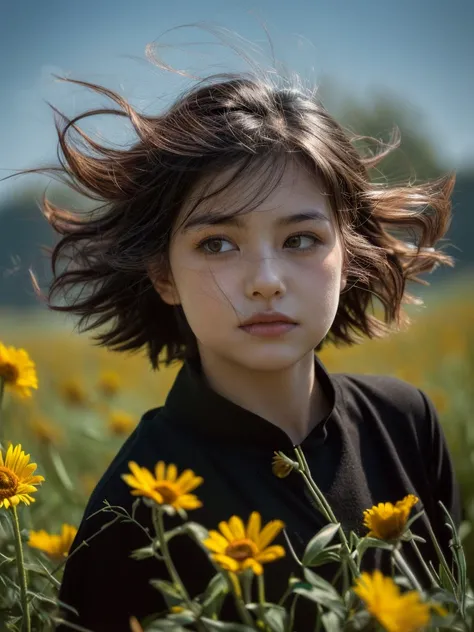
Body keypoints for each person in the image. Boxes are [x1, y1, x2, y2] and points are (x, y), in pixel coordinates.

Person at [25, 64, 461, 631]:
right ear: (163, 274)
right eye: (219, 243)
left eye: (300, 239)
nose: (265, 280)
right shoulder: (134, 507)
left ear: (347, 254)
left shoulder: (407, 425)